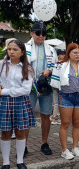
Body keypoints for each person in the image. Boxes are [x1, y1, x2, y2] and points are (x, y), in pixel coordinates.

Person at [0, 39, 35, 169]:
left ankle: (20, 161)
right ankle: (6, 163)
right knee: (6, 133)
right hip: (4, 103)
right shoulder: (2, 65)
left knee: (21, 132)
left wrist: (4, 91)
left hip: (21, 102)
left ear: (22, 52)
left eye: (15, 49)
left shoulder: (28, 68)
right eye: (9, 49)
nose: (11, 52)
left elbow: (25, 90)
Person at [51, 43, 79, 160]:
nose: (78, 55)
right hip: (66, 96)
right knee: (65, 123)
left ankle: (75, 147)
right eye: (75, 52)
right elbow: (55, 83)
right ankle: (64, 150)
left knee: (77, 123)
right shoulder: (60, 65)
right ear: (69, 53)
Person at [26, 22, 58, 155]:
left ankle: (44, 143)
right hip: (29, 87)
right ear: (32, 33)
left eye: (43, 33)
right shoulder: (24, 47)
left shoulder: (51, 49)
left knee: (46, 115)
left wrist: (49, 71)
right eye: (38, 33)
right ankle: (24, 146)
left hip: (46, 86)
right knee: (27, 117)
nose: (41, 36)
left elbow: (56, 66)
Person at [50, 49, 66, 125]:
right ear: (58, 55)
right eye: (62, 54)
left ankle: (54, 116)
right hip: (58, 85)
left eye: (64, 54)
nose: (64, 56)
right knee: (58, 102)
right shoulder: (62, 64)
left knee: (56, 102)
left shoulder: (56, 63)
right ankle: (56, 118)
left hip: (55, 84)